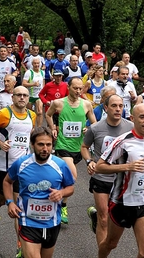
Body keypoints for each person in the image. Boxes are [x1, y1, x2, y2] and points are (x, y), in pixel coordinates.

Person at [95, 103, 144, 258]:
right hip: (122, 202)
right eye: (142, 117)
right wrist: (128, 166)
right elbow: (99, 167)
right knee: (111, 244)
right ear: (132, 119)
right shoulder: (122, 141)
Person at [3, 127, 75, 258]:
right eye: (41, 144)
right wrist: (10, 203)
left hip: (52, 222)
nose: (45, 149)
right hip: (27, 221)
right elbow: (7, 181)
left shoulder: (60, 165)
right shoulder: (21, 163)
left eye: (48, 145)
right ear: (32, 145)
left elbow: (70, 188)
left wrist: (61, 193)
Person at [0, 86, 36, 258]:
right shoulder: (5, 114)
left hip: (23, 166)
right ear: (12, 97)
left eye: (25, 95)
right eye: (18, 95)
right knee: (3, 199)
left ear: (28, 98)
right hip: (3, 166)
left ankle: (20, 245)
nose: (22, 98)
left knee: (19, 205)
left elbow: (29, 138)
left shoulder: (32, 115)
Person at [81, 94, 133, 247]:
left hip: (121, 180)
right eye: (114, 106)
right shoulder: (95, 128)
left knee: (113, 218)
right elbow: (84, 147)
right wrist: (89, 161)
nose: (118, 109)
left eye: (120, 106)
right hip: (101, 177)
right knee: (104, 219)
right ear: (105, 107)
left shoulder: (130, 127)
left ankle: (95, 217)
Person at [46, 77, 96, 224]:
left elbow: (95, 124)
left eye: (81, 88)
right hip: (63, 146)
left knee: (65, 178)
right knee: (72, 175)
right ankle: (63, 206)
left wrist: (89, 129)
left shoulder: (87, 104)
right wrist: (53, 128)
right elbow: (48, 115)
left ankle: (57, 197)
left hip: (79, 147)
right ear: (68, 87)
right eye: (75, 88)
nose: (78, 91)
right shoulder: (58, 103)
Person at [22, 58, 44, 127]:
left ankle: (39, 128)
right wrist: (33, 84)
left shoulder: (42, 72)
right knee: (29, 113)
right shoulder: (29, 72)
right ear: (32, 64)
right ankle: (31, 127)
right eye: (35, 63)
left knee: (40, 112)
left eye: (38, 63)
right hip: (30, 95)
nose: (37, 65)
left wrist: (44, 92)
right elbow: (24, 83)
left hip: (39, 95)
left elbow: (43, 83)